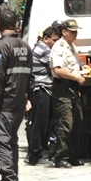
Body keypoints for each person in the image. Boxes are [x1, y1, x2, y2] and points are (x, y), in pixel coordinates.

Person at [0, 10, 32, 181]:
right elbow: (31, 76)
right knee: (11, 140)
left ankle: (9, 178)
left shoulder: (2, 46)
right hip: (19, 100)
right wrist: (27, 96)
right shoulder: (25, 46)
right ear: (16, 25)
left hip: (5, 100)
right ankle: (11, 175)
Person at [50, 18, 91, 169]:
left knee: (77, 122)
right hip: (62, 88)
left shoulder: (71, 46)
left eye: (76, 31)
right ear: (64, 32)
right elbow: (58, 70)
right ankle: (61, 156)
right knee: (65, 123)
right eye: (72, 31)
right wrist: (77, 77)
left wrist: (82, 70)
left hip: (73, 88)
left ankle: (71, 155)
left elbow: (74, 65)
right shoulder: (59, 47)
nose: (75, 34)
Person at [26, 24, 59, 165]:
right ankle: (35, 154)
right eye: (55, 40)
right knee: (39, 123)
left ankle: (40, 153)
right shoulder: (44, 50)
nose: (56, 43)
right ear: (46, 38)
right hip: (41, 90)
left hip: (44, 89)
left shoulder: (42, 48)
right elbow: (58, 65)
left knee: (46, 122)